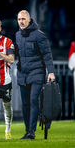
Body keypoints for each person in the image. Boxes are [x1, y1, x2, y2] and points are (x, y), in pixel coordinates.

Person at [16, 10, 55, 139]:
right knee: (25, 104)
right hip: (22, 74)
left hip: (37, 72)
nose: (21, 21)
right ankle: (27, 131)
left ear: (29, 20)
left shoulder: (39, 35)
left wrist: (51, 72)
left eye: (23, 19)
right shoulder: (17, 35)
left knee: (34, 101)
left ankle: (32, 131)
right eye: (19, 19)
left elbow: (47, 55)